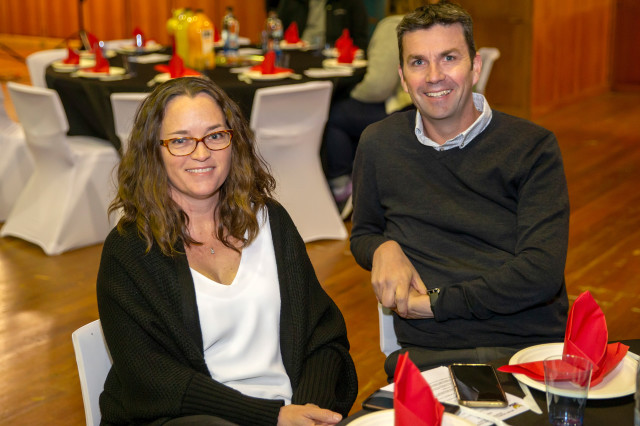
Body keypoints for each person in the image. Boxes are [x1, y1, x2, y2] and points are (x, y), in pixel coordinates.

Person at [96, 76, 357, 425]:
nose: (201, 153)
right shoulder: (129, 250)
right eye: (180, 141)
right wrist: (270, 417)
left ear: (234, 141)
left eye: (215, 135)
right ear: (153, 151)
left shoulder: (270, 221)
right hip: (189, 418)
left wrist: (310, 411)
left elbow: (321, 336)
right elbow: (154, 379)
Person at [350, 1, 570, 380]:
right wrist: (382, 249)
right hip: (429, 352)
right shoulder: (379, 143)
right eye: (418, 62)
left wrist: (434, 305)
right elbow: (364, 233)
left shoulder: (532, 147)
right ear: (403, 77)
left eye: (449, 58)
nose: (434, 76)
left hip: (525, 346)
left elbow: (540, 273)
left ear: (475, 66)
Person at [324, 0, 417, 206]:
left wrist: (351, 93)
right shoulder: (437, 26)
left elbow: (378, 86)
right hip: (422, 110)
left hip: (402, 110)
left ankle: (340, 185)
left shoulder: (395, 26)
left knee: (333, 114)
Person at [277, 0, 369, 51]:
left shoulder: (351, 3)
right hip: (297, 54)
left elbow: (360, 39)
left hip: (333, 58)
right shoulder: (291, 2)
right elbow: (278, 32)